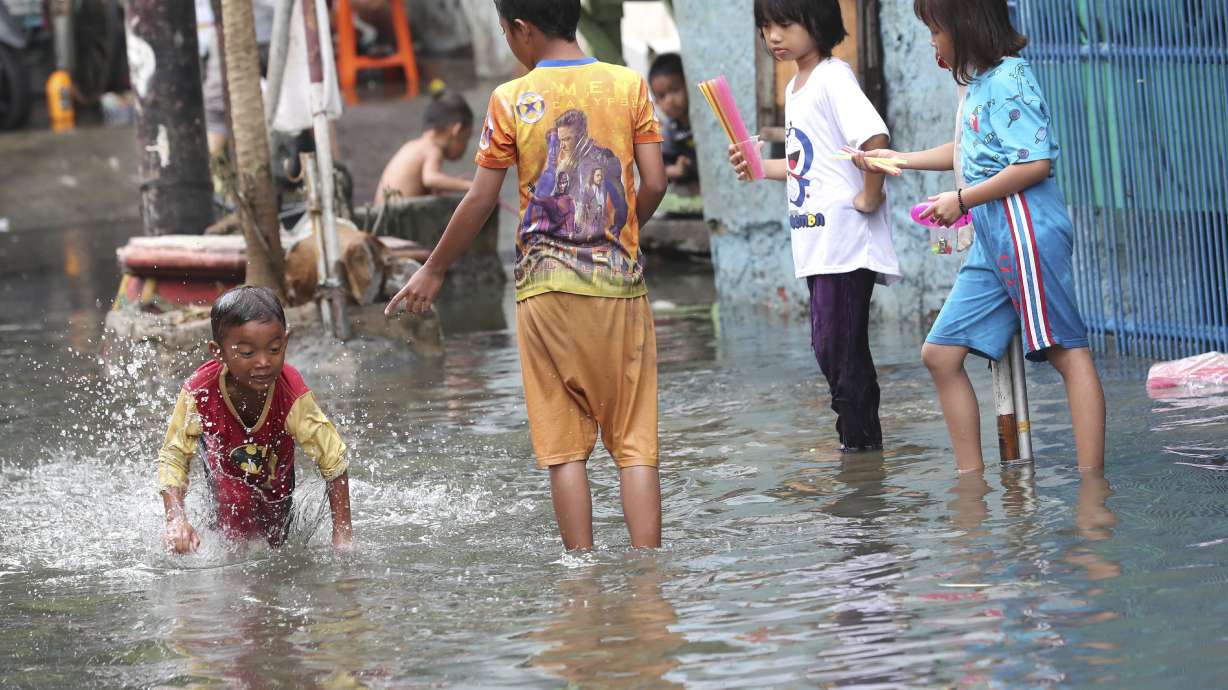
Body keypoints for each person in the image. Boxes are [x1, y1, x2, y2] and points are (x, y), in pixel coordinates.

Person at [384, 0, 668, 551]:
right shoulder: (628, 85)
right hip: (619, 287)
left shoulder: (510, 98)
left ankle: (580, 576)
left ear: (521, 28)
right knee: (635, 444)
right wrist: (621, 232)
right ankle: (648, 579)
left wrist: (434, 269)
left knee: (564, 450)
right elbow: (652, 182)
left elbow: (481, 198)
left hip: (544, 292)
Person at [849, 0, 1105, 474]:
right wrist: (899, 159)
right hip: (992, 236)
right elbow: (967, 147)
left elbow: (1034, 164)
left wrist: (962, 200)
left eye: (935, 28)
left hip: (1025, 231)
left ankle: (1092, 488)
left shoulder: (1009, 78)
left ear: (964, 26)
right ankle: (972, 485)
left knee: (1065, 351)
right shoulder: (979, 84)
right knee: (940, 355)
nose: (931, 40)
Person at [729, 0, 900, 453]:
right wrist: (758, 168)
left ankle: (861, 459)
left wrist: (870, 194)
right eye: (766, 26)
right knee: (832, 350)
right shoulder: (799, 87)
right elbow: (809, 162)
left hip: (843, 240)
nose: (773, 36)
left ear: (817, 22)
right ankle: (861, 457)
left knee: (839, 350)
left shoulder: (831, 77)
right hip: (817, 243)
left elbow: (874, 139)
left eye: (784, 24)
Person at [157, 286, 353, 553]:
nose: (263, 362)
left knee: (275, 543)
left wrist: (343, 536)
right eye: (247, 353)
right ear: (218, 352)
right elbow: (174, 457)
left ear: (285, 342)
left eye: (274, 350)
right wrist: (176, 519)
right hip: (225, 471)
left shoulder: (292, 394)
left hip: (276, 475)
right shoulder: (199, 391)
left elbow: (334, 459)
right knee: (232, 522)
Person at [374, 90, 475, 204]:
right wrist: (471, 186)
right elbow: (431, 179)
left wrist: (451, 183)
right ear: (456, 130)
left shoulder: (412, 145)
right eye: (466, 138)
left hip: (382, 212)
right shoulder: (433, 149)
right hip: (396, 218)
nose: (465, 147)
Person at [647, 53, 698, 190]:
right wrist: (677, 170)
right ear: (656, 101)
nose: (669, 100)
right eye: (662, 96)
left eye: (675, 90)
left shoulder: (701, 121)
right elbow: (662, 168)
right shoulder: (669, 130)